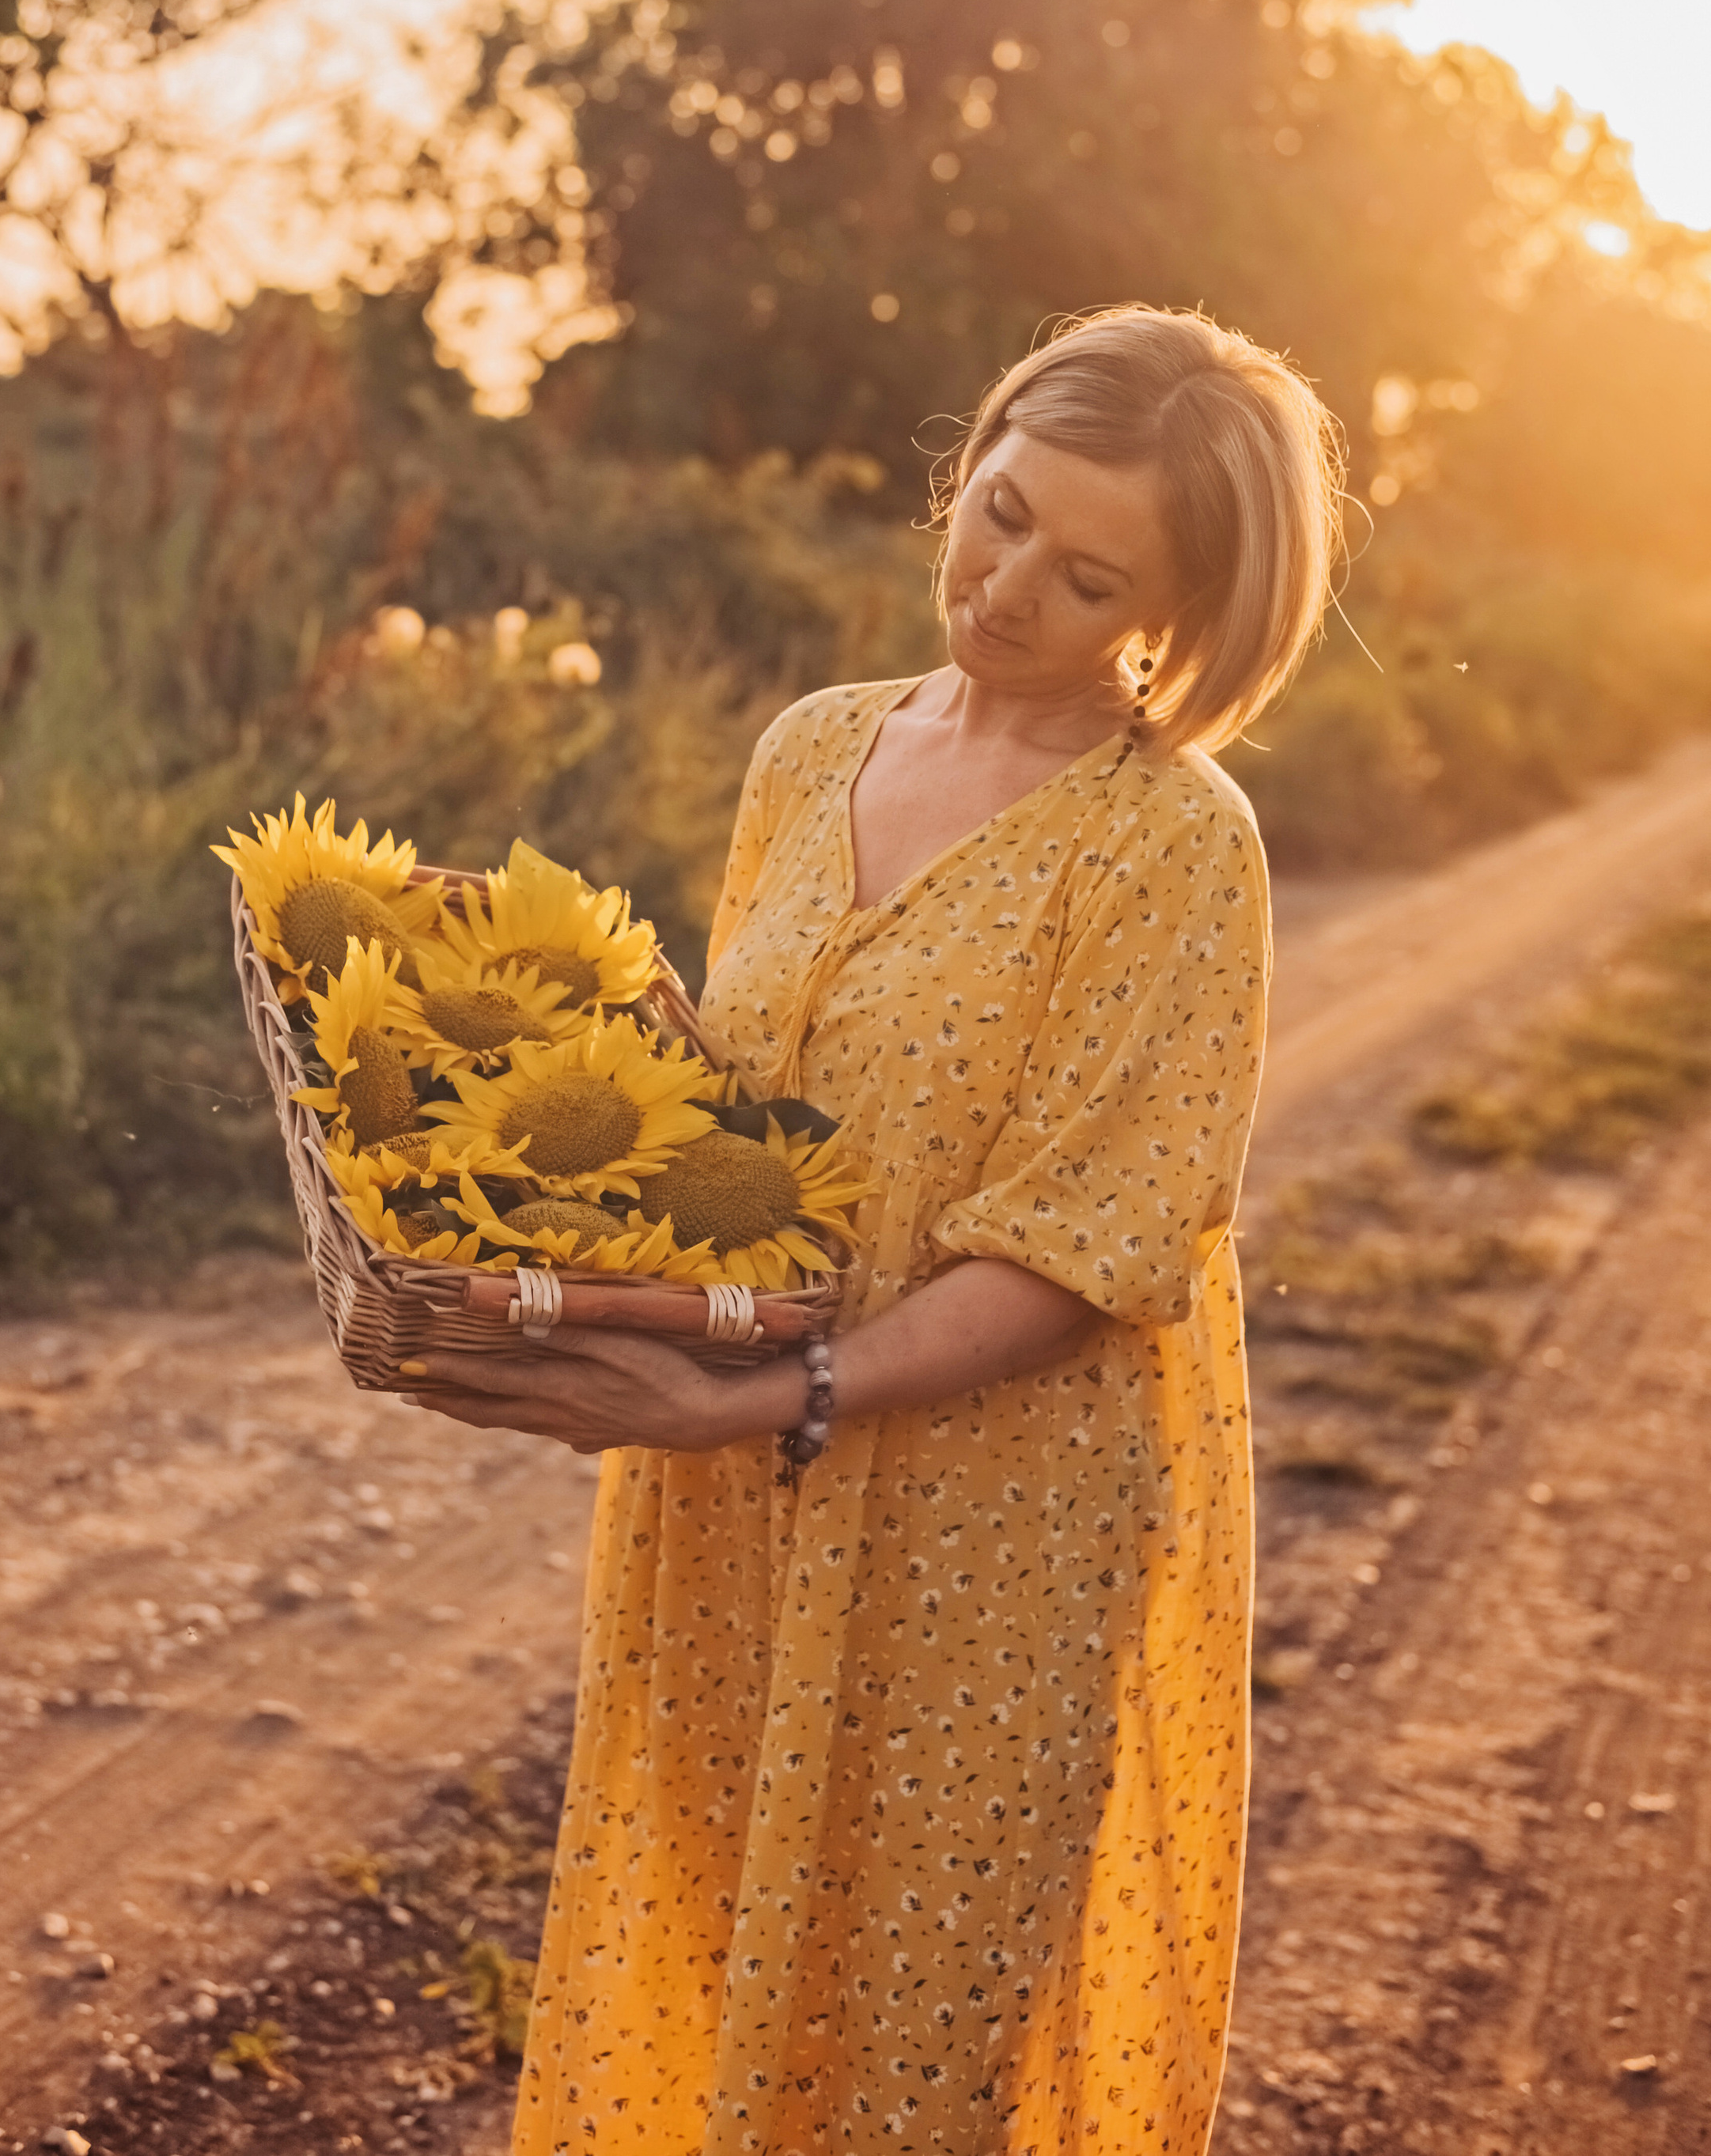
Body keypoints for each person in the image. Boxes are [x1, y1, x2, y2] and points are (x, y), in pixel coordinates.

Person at [399, 303, 1347, 2155]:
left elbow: (1082, 1253)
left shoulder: (1167, 845)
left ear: (1181, 617)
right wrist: (558, 1016)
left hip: (987, 1538)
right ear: (971, 456)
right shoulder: (812, 748)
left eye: (1086, 579)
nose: (1005, 592)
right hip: (732, 1521)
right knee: (708, 1969)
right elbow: (763, 1133)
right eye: (996, 515)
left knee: (908, 2053)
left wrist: (767, 1396)